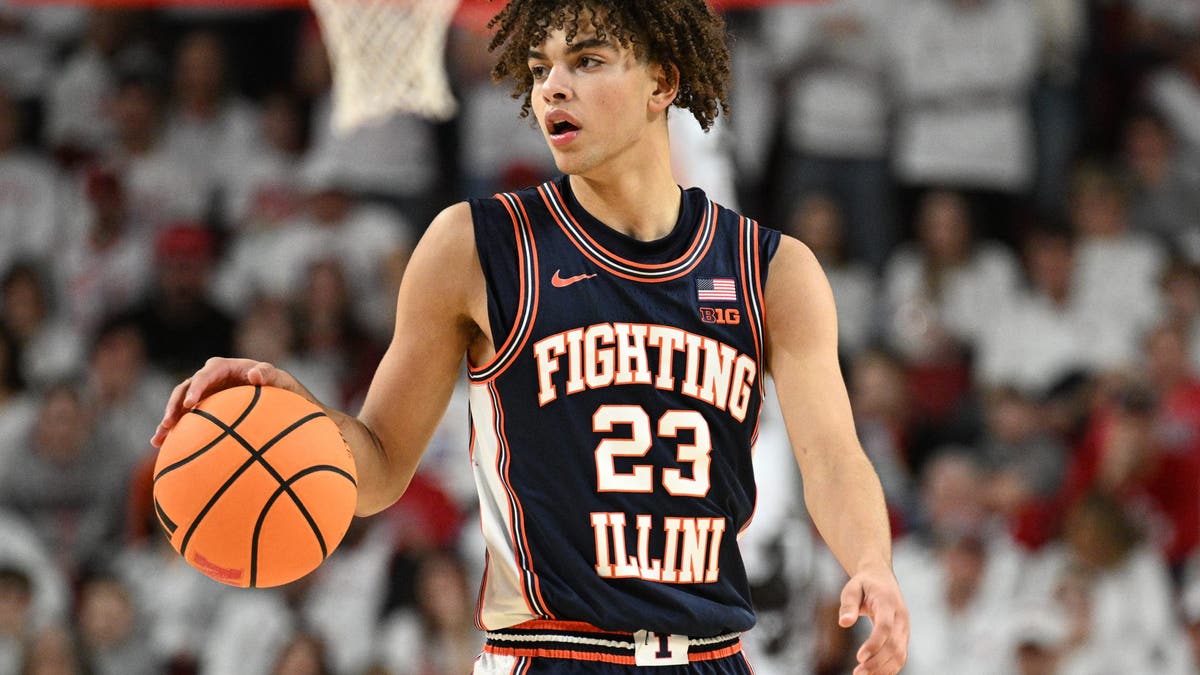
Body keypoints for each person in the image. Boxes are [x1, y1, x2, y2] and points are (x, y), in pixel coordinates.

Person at [152, 2, 909, 674]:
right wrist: (304, 421)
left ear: (663, 82)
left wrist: (871, 561)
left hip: (710, 657)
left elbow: (833, 459)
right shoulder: (475, 246)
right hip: (548, 656)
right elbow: (379, 464)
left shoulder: (770, 270)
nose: (552, 88)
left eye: (587, 61)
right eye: (541, 68)